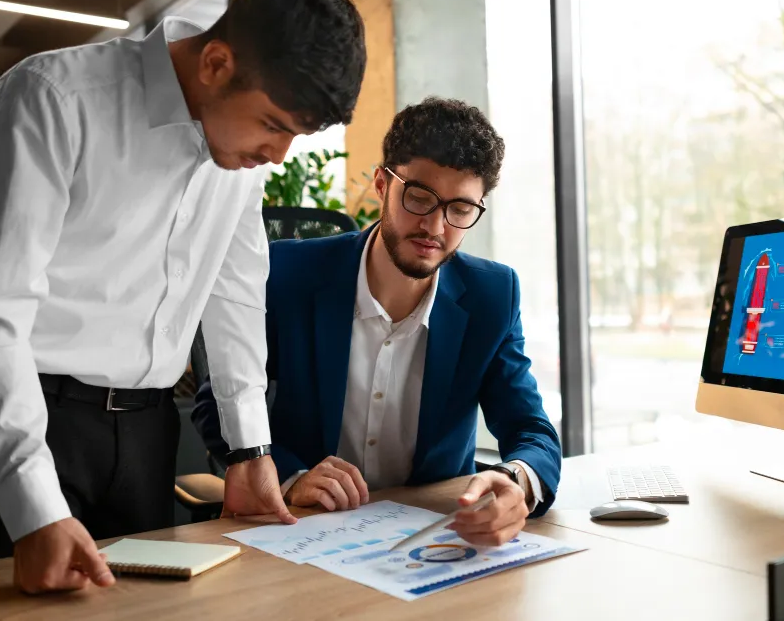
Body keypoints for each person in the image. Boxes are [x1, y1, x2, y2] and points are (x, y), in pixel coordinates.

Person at [0, 0, 366, 593]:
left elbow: (234, 293)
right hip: (28, 423)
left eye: (293, 136)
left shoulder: (237, 151)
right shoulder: (52, 98)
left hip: (146, 434)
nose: (278, 155)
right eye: (274, 124)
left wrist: (248, 452)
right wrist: (36, 507)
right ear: (216, 63)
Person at [193, 97, 562, 546]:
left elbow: (531, 431)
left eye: (460, 209)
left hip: (429, 538)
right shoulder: (286, 275)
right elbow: (216, 404)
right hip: (306, 531)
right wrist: (292, 476)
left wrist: (516, 482)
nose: (436, 227)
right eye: (420, 197)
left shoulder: (492, 295)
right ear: (382, 184)